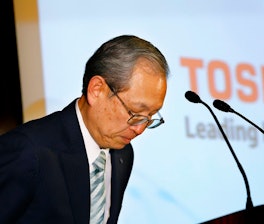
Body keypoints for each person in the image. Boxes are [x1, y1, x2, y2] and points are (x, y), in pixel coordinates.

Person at [0, 34, 169, 224]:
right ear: (96, 90)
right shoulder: (28, 151)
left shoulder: (123, 154)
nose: (140, 129)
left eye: (151, 117)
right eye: (135, 113)